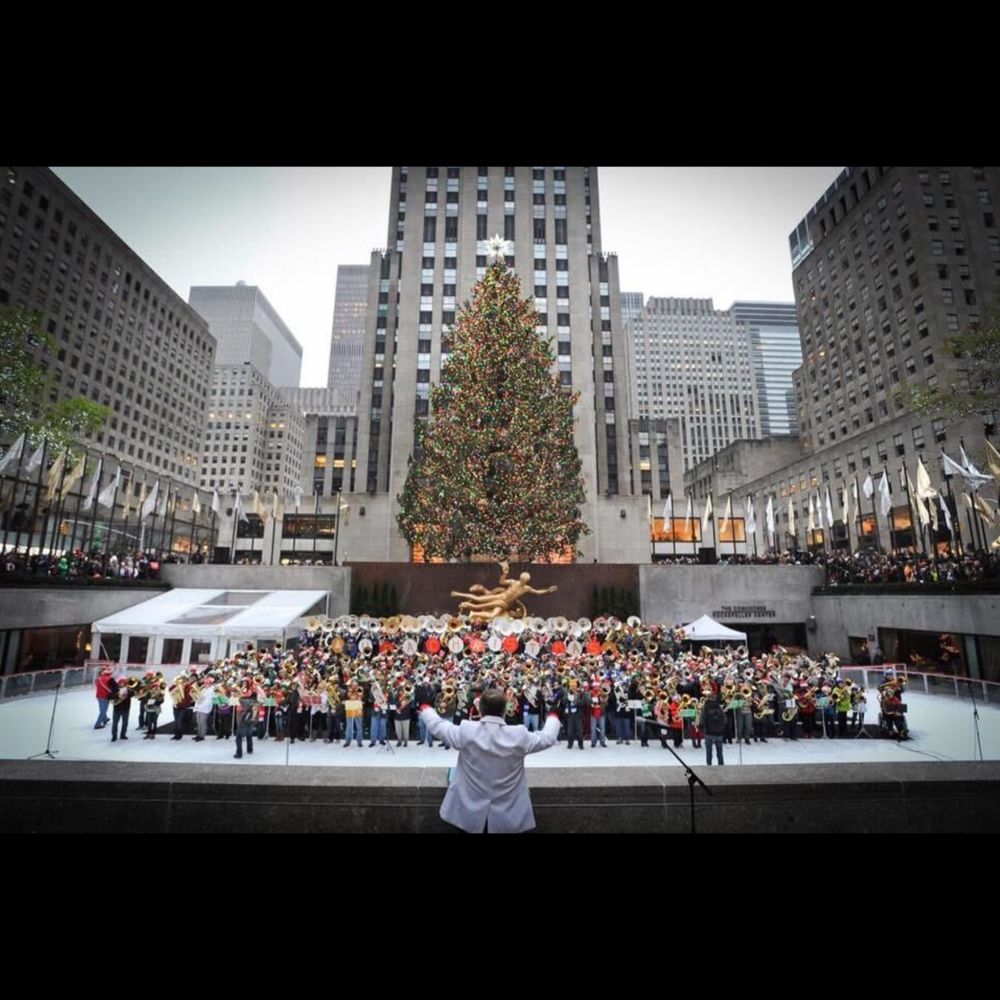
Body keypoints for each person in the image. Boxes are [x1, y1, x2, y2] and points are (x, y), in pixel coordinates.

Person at [417, 687, 560, 833]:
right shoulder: (519, 735)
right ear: (504, 711)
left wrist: (425, 707)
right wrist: (553, 714)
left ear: (480, 710)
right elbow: (548, 738)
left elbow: (438, 726)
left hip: (467, 815)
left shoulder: (466, 731)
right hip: (509, 817)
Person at [700, 686, 728, 766]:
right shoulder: (719, 707)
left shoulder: (705, 706)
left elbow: (702, 719)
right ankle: (721, 764)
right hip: (719, 732)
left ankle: (709, 765)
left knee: (709, 751)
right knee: (719, 751)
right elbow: (725, 720)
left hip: (708, 732)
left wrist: (703, 727)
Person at [94, 665, 114, 729]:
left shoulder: (98, 679)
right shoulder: (110, 679)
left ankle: (105, 719)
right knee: (103, 711)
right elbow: (114, 687)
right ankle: (97, 724)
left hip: (98, 696)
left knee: (102, 709)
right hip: (105, 696)